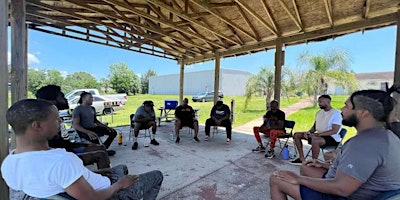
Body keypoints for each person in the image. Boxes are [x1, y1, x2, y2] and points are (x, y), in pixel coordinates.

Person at [1, 99, 164, 199]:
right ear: (37, 126)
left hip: (93, 183)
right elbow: (91, 198)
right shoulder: (61, 161)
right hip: (109, 192)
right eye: (56, 119)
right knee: (157, 175)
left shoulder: (8, 164)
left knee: (121, 167)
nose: (60, 123)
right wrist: (120, 185)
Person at [269, 89, 400, 200]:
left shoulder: (364, 144)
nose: (342, 109)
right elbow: (361, 170)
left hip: (343, 195)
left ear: (363, 113)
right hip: (356, 187)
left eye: (347, 106)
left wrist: (298, 179)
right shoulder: (383, 135)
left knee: (277, 179)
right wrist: (324, 165)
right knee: (307, 167)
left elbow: (342, 188)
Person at [36, 85, 112, 169]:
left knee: (101, 147)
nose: (66, 99)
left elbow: (61, 142)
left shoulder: (91, 108)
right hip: (62, 157)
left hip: (68, 149)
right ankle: (106, 178)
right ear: (52, 101)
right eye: (62, 97)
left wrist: (82, 144)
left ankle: (105, 174)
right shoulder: (46, 121)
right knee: (100, 154)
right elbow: (55, 147)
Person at [290, 95, 342, 165]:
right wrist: (308, 132)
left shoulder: (336, 113)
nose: (319, 103)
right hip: (319, 135)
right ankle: (301, 158)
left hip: (332, 138)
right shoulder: (319, 112)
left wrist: (317, 134)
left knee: (315, 140)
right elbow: (314, 127)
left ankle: (313, 162)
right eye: (318, 102)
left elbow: (334, 131)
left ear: (328, 101)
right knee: (297, 135)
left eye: (321, 101)